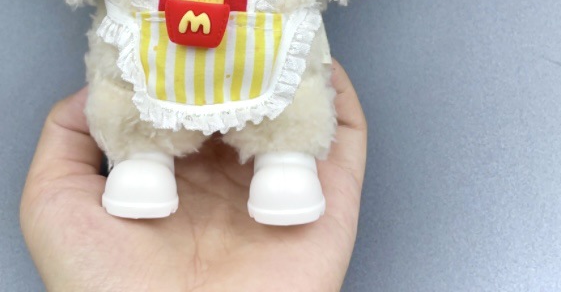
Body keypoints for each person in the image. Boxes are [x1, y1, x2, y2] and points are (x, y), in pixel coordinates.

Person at [20, 59, 366, 292]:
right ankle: (143, 160)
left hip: (259, 28)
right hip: (162, 32)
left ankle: (286, 160)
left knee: (291, 77)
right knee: (136, 79)